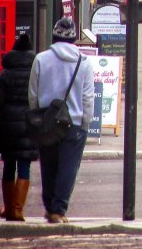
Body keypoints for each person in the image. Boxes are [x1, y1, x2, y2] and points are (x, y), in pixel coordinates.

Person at [28, 18, 94, 224]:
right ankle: (58, 209)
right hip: (73, 123)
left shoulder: (40, 59)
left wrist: (38, 117)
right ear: (74, 38)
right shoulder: (83, 62)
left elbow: (33, 94)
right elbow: (87, 98)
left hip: (47, 121)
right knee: (68, 167)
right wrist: (86, 122)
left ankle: (49, 208)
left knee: (48, 165)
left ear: (54, 36)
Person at [0, 34, 38, 221]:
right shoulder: (35, 73)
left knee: (8, 167)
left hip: (8, 125)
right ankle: (18, 209)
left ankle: (9, 208)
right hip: (28, 124)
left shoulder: (5, 74)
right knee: (24, 166)